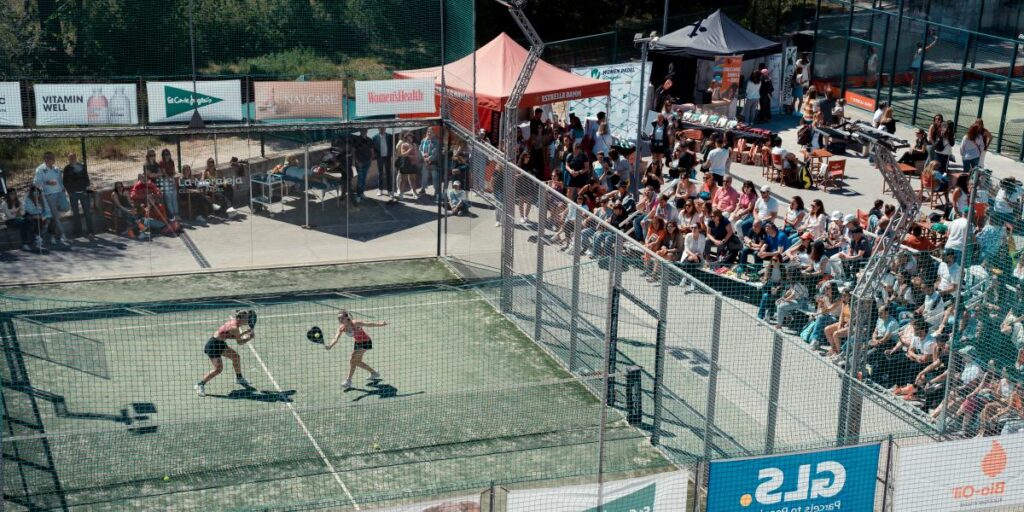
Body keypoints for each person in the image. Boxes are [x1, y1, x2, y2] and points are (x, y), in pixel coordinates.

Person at [195, 310, 255, 397]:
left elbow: (229, 336)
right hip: (213, 346)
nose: (248, 320)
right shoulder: (235, 328)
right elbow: (240, 342)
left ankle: (239, 378)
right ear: (239, 319)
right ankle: (200, 385)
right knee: (218, 369)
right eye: (245, 318)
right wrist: (250, 337)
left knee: (236, 357)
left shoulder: (234, 323)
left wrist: (245, 332)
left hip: (220, 343)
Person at [326, 310, 386, 390]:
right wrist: (330, 345)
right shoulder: (342, 328)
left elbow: (369, 324)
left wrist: (381, 324)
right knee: (357, 362)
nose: (340, 320)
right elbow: (336, 338)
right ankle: (374, 373)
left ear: (347, 317)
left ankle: (348, 380)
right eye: (338, 318)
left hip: (366, 342)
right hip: (357, 343)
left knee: (352, 360)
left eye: (342, 318)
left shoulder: (355, 323)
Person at [33, 152, 69, 245]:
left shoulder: (56, 168)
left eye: (53, 158)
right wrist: (47, 182)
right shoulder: (40, 170)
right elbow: (36, 183)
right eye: (51, 158)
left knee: (66, 207)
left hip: (60, 192)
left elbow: (60, 180)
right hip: (49, 195)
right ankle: (62, 234)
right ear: (46, 159)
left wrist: (63, 188)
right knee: (56, 216)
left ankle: (53, 221)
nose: (53, 160)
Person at [62, 152, 95, 237]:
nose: (72, 159)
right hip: (73, 194)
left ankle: (90, 231)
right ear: (68, 159)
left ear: (76, 157)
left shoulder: (82, 166)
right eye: (70, 157)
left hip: (83, 193)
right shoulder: (66, 169)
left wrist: (86, 190)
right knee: (75, 214)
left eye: (73, 157)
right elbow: (65, 182)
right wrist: (69, 192)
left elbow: (86, 179)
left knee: (87, 213)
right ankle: (79, 232)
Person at [396, 133, 420, 200]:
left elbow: (416, 154)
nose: (410, 139)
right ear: (406, 138)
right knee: (403, 180)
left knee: (413, 180)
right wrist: (410, 149)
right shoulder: (404, 144)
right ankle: (401, 194)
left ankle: (414, 193)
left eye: (411, 138)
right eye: (409, 138)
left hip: (413, 164)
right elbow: (403, 155)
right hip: (405, 164)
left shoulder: (414, 144)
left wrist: (416, 158)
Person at [373, 128, 395, 198]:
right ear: (378, 129)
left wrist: (392, 153)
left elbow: (392, 145)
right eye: (380, 128)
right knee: (380, 173)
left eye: (383, 128)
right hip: (380, 157)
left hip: (387, 157)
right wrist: (375, 155)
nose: (382, 129)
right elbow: (373, 148)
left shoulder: (390, 136)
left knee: (389, 173)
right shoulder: (374, 137)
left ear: (385, 129)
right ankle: (380, 189)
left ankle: (389, 190)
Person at [419, 129, 440, 198]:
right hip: (425, 161)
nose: (429, 133)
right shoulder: (423, 140)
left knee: (435, 177)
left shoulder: (436, 141)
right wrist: (423, 156)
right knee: (424, 175)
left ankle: (436, 191)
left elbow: (435, 151)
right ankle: (423, 189)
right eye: (428, 132)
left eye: (431, 132)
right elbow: (420, 149)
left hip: (433, 162)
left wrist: (429, 158)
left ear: (434, 133)